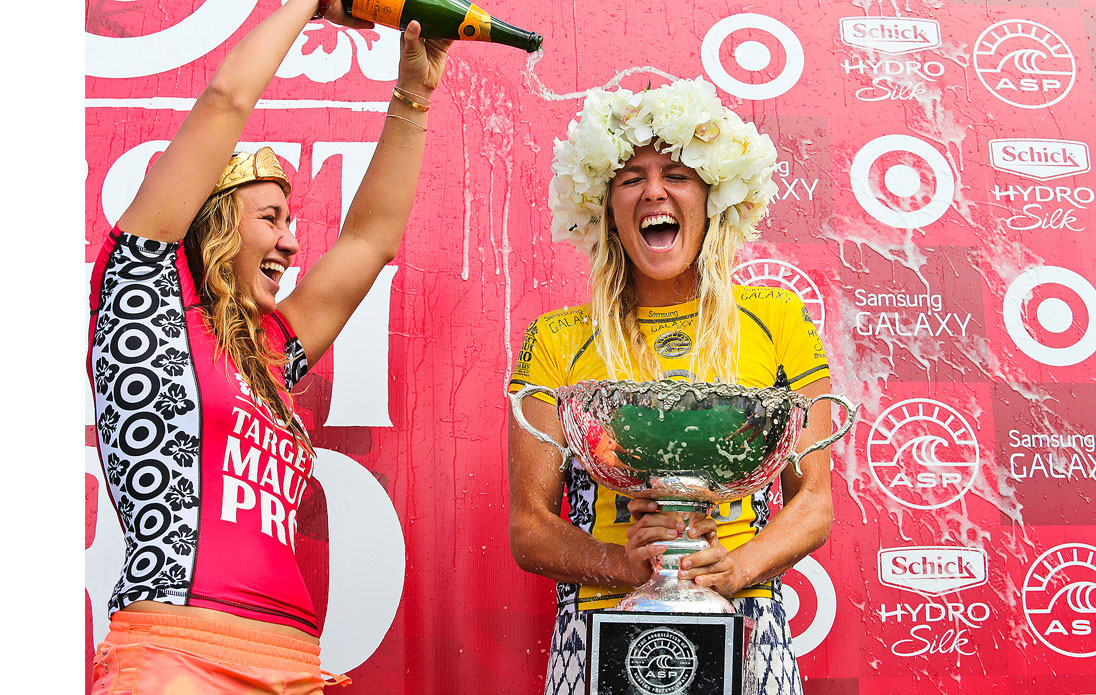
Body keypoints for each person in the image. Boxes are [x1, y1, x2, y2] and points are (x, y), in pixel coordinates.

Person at [87, 1, 450, 692]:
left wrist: (414, 94)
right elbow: (225, 101)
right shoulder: (143, 300)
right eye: (272, 218)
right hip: (179, 653)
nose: (291, 240)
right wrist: (308, 3)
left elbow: (368, 242)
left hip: (291, 661)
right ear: (214, 223)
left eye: (293, 221)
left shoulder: (273, 348)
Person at [507, 78, 834, 695]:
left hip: (745, 616)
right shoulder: (556, 337)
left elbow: (814, 501)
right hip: (599, 617)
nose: (654, 190)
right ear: (603, 205)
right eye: (631, 178)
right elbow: (528, 526)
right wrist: (624, 567)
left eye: (678, 174)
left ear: (715, 197)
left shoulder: (778, 316)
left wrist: (736, 569)